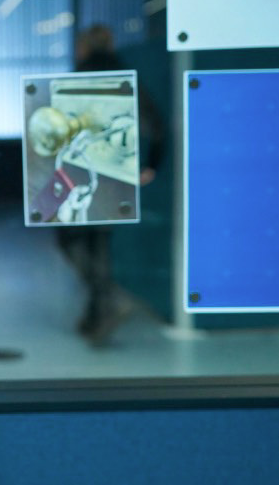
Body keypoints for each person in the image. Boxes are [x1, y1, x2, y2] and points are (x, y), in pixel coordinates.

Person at [57, 24, 165, 346]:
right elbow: (156, 125)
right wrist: (151, 166)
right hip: (115, 174)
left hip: (80, 171)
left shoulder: (78, 76)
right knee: (99, 244)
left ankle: (107, 300)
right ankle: (97, 316)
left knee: (70, 239)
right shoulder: (124, 77)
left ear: (85, 47)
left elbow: (59, 130)